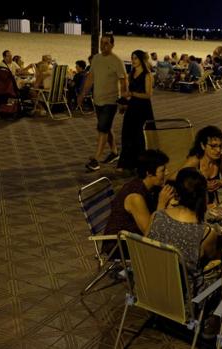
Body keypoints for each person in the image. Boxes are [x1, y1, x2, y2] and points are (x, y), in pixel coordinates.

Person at [148, 167, 220, 292]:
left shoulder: (156, 216)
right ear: (204, 196)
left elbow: (146, 243)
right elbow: (212, 257)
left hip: (150, 288)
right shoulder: (206, 233)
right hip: (185, 300)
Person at [103, 149, 174, 255]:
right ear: (149, 173)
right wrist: (161, 204)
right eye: (163, 170)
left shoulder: (151, 187)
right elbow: (150, 235)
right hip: (119, 245)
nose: (167, 172)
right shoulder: (135, 196)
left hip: (136, 237)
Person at [78, 34, 127, 172]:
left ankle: (96, 159)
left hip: (110, 101)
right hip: (98, 100)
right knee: (106, 127)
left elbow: (124, 80)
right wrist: (83, 94)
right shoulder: (96, 59)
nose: (103, 46)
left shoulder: (117, 61)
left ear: (112, 45)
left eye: (106, 43)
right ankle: (114, 153)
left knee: (102, 128)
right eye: (101, 43)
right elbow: (91, 77)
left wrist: (123, 100)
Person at [116, 49, 155, 175]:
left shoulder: (147, 75)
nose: (133, 61)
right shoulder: (131, 73)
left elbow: (148, 95)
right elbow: (128, 91)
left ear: (141, 60)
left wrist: (132, 93)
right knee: (127, 135)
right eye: (132, 58)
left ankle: (141, 165)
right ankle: (126, 163)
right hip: (132, 107)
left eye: (135, 58)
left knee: (140, 137)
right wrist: (124, 102)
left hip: (143, 109)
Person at [177, 126, 222, 204]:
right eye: (213, 146)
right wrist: (201, 185)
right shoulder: (195, 160)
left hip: (208, 202)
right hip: (192, 203)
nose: (218, 150)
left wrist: (221, 183)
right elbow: (175, 178)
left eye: (220, 146)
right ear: (203, 145)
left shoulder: (221, 158)